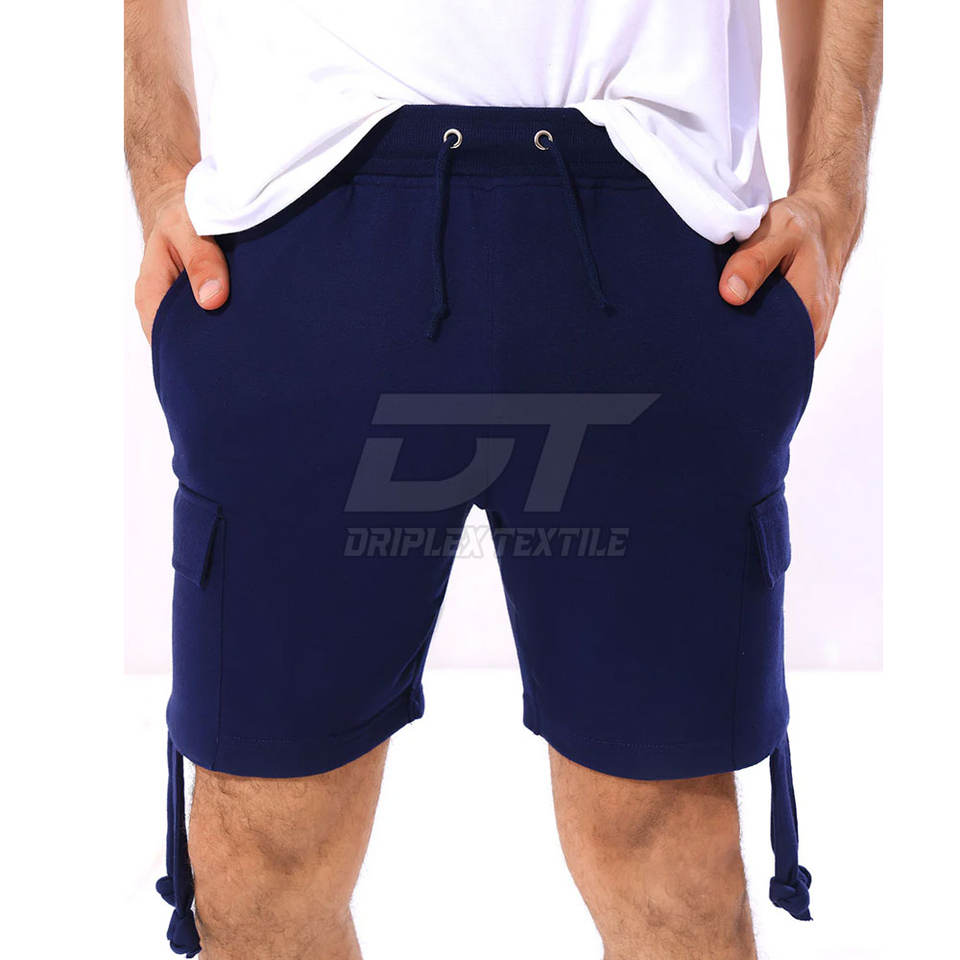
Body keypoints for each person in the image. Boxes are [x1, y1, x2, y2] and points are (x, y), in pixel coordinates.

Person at [125, 1, 882, 957]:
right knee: (259, 862)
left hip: (653, 223)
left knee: (671, 864)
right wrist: (162, 175)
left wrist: (832, 193)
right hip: (299, 235)